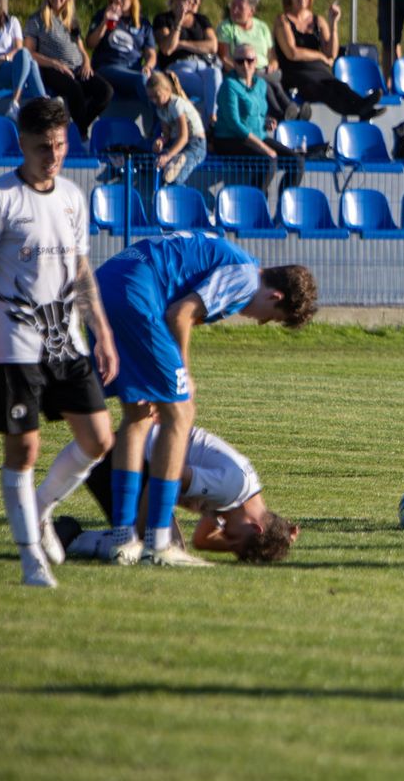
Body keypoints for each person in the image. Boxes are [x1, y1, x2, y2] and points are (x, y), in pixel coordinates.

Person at [0, 98, 119, 587]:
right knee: (23, 451)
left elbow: (82, 270)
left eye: (61, 144)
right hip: (14, 347)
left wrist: (103, 334)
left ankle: (42, 507)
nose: (54, 155)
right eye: (44, 146)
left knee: (99, 439)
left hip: (67, 345)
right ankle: (31, 558)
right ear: (21, 144)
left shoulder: (73, 196)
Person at [95, 231, 317, 567]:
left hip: (108, 283)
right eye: (270, 317)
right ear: (274, 295)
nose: (260, 322)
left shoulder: (233, 261)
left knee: (138, 415)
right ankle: (157, 543)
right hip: (135, 292)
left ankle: (123, 538)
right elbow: (180, 314)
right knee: (180, 413)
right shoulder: (244, 277)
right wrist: (182, 373)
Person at [58, 415, 300, 564]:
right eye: (233, 538)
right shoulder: (231, 487)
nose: (225, 536)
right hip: (117, 460)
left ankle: (75, 538)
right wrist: (146, 533)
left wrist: (272, 543)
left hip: (123, 458)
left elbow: (202, 540)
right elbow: (165, 473)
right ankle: (69, 538)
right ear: (255, 526)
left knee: (165, 546)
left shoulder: (237, 501)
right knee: (158, 548)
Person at [275, 0, 385, 121]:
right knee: (324, 89)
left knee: (338, 86)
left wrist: (333, 25)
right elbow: (292, 53)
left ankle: (363, 107)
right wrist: (319, 56)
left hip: (318, 70)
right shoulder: (283, 20)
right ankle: (361, 109)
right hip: (296, 72)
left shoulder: (317, 20)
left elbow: (331, 55)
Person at [23, 0, 114, 139]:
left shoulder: (72, 20)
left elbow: (80, 47)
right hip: (51, 68)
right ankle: (82, 134)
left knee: (105, 91)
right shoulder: (36, 20)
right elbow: (28, 52)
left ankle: (81, 123)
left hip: (78, 67)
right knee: (75, 89)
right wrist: (53, 63)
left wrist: (87, 62)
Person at [214, 42, 304, 194]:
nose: (245, 65)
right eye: (239, 61)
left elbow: (259, 114)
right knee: (268, 161)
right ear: (234, 64)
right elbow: (235, 124)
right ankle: (256, 207)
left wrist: (266, 122)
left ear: (256, 62)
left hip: (257, 136)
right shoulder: (229, 86)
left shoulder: (261, 84)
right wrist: (264, 147)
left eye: (249, 60)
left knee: (297, 162)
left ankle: (284, 207)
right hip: (230, 139)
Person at [216, 0, 309, 124]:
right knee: (265, 83)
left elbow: (272, 55)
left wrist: (273, 64)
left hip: (266, 71)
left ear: (251, 11)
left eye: (239, 7)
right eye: (232, 6)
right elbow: (223, 58)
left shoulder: (262, 27)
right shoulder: (227, 28)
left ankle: (286, 112)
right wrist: (245, 70)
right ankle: (289, 111)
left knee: (271, 79)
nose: (234, 10)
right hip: (244, 70)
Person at [153, 0, 221, 125]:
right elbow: (167, 48)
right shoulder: (164, 19)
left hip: (203, 65)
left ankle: (211, 118)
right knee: (211, 90)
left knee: (215, 74)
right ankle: (206, 124)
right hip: (178, 68)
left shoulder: (202, 20)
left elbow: (212, 46)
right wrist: (178, 22)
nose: (196, 2)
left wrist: (183, 44)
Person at [85, 0, 157, 103]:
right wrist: (104, 23)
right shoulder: (103, 15)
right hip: (108, 66)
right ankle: (161, 120)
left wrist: (148, 66)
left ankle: (164, 118)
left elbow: (151, 54)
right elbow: (90, 43)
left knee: (158, 83)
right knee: (141, 80)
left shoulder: (143, 23)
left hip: (132, 68)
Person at [147, 70, 205, 185]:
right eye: (151, 97)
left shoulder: (176, 104)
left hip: (194, 144)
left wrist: (168, 156)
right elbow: (166, 134)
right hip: (176, 144)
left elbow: (184, 137)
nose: (154, 100)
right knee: (158, 165)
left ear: (167, 90)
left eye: (157, 96)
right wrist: (161, 141)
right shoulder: (160, 109)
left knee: (175, 179)